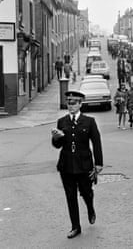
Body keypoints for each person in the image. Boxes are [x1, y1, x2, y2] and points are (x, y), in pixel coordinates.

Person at [51, 90, 103, 239]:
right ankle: (75, 226)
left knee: (86, 192)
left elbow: (96, 143)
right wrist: (56, 138)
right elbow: (58, 145)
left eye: (74, 103)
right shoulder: (62, 121)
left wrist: (98, 164)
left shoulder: (89, 121)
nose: (71, 106)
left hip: (84, 164)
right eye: (69, 103)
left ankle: (90, 208)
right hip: (66, 165)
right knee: (70, 196)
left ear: (80, 104)